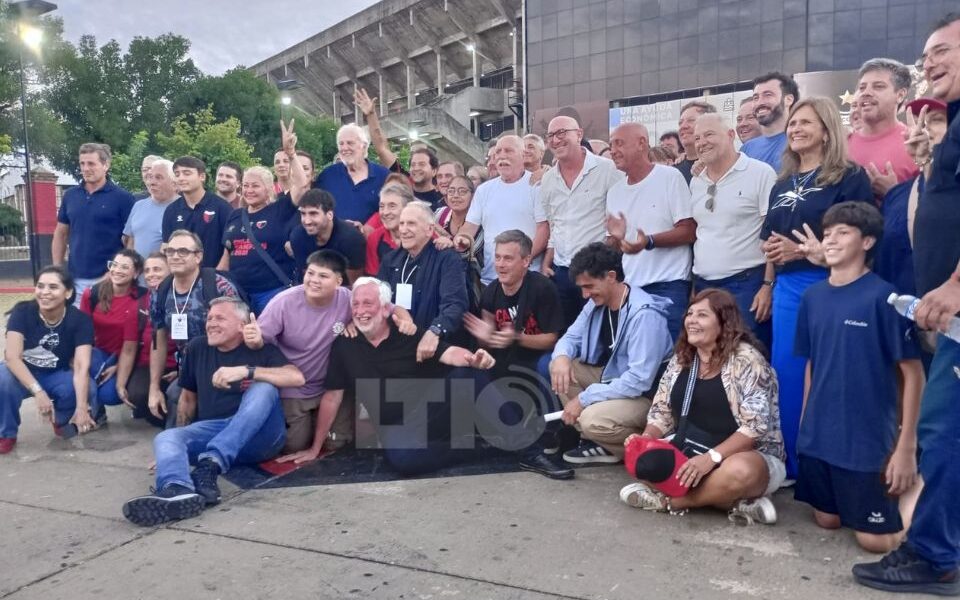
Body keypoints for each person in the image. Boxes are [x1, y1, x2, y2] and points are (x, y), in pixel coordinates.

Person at [853, 13, 960, 595]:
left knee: (943, 433)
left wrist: (956, 283)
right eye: (927, 54)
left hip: (953, 313)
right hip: (942, 320)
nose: (930, 62)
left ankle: (934, 557)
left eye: (943, 49)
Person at [281, 278, 571, 479]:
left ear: (386, 308)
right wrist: (315, 447)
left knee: (469, 374)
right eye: (355, 304)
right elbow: (333, 396)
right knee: (403, 460)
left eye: (367, 303)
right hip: (395, 426)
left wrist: (472, 357)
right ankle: (484, 446)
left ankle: (529, 450)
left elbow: (448, 352)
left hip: (431, 411)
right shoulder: (345, 344)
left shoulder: (406, 332)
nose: (359, 311)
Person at [793, 201, 923, 553]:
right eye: (827, 233)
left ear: (867, 242)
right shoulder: (812, 297)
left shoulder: (886, 298)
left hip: (866, 439)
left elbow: (913, 374)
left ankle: (918, 483)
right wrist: (805, 421)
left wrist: (906, 445)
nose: (830, 240)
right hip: (821, 434)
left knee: (875, 542)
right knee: (827, 519)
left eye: (843, 232)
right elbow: (812, 364)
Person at [759, 97, 873, 480]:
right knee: (788, 374)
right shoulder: (781, 183)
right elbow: (771, 240)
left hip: (832, 286)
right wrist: (768, 280)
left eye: (805, 122)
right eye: (792, 124)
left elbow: (859, 235)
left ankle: (830, 466)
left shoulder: (849, 177)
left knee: (831, 376)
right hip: (787, 290)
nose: (795, 129)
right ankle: (792, 465)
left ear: (826, 130)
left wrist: (808, 251)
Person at [122, 297, 305, 526]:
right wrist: (173, 453)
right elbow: (187, 399)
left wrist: (246, 371)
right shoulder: (197, 347)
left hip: (260, 437)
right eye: (209, 318)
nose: (211, 323)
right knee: (167, 438)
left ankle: (211, 462)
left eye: (220, 318)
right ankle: (177, 490)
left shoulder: (262, 350)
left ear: (242, 325)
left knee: (264, 388)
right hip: (215, 432)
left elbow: (296, 377)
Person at [619, 289, 786, 525]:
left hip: (738, 456)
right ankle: (732, 501)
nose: (692, 320)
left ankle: (676, 501)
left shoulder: (748, 360)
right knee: (641, 459)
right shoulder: (682, 358)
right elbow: (661, 413)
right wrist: (645, 440)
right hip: (690, 449)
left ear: (724, 322)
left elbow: (754, 429)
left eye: (702, 315)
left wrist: (711, 458)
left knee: (741, 471)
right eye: (690, 314)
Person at [548, 243, 673, 464]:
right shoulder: (597, 302)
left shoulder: (644, 314)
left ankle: (638, 447)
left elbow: (639, 381)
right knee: (561, 367)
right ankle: (596, 441)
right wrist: (561, 357)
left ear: (611, 277)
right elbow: (571, 338)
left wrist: (584, 399)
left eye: (589, 286)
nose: (585, 294)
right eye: (581, 288)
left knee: (591, 419)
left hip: (649, 397)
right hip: (614, 379)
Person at [242, 250, 354, 454]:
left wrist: (357, 321)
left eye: (323, 276)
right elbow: (258, 343)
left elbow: (383, 307)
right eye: (310, 273)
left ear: (338, 281)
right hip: (294, 388)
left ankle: (320, 424)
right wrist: (254, 341)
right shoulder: (283, 302)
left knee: (336, 443)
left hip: (330, 387)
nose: (314, 280)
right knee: (293, 446)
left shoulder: (348, 299)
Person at [689, 113, 777, 349]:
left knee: (748, 354)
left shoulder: (760, 173)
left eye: (709, 134)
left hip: (747, 285)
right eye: (697, 138)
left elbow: (772, 233)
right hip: (704, 286)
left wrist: (767, 285)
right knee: (710, 356)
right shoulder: (696, 180)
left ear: (730, 135)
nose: (702, 142)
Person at [605, 122, 696, 341]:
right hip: (632, 290)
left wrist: (649, 241)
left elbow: (689, 231)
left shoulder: (670, 177)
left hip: (669, 286)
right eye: (611, 145)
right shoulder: (615, 191)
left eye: (619, 143)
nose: (613, 151)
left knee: (669, 355)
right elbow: (614, 247)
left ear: (641, 143)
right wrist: (615, 239)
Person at [148, 230, 242, 428]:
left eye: (183, 251)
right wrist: (153, 387)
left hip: (223, 366)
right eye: (170, 251)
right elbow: (158, 340)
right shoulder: (161, 291)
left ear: (198, 256)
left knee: (181, 395)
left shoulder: (218, 287)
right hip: (186, 369)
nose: (175, 256)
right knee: (173, 394)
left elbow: (237, 334)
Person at [0, 266, 97, 453]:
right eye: (40, 286)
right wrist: (38, 392)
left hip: (56, 373)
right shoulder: (22, 312)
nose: (44, 292)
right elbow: (12, 357)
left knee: (88, 387)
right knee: (2, 378)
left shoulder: (80, 320)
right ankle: (6, 433)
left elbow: (81, 366)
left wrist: (82, 407)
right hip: (22, 372)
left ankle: (61, 419)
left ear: (68, 293)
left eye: (53, 287)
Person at [539, 115, 624, 327]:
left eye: (562, 133)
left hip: (598, 270)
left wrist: (603, 262)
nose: (556, 140)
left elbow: (618, 223)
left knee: (601, 332)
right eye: (550, 135)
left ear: (579, 134)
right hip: (561, 273)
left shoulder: (608, 170)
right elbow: (555, 224)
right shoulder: (548, 179)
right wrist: (547, 261)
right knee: (568, 333)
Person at [454, 135, 548, 285]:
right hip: (491, 280)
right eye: (498, 152)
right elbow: (469, 226)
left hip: (528, 278)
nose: (502, 156)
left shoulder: (537, 185)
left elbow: (543, 229)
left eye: (508, 150)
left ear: (523, 155)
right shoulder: (484, 190)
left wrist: (524, 260)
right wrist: (462, 238)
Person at [378, 202, 469, 357]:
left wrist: (435, 331)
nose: (403, 230)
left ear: (429, 229)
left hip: (435, 347)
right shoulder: (390, 260)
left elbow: (455, 304)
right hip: (397, 346)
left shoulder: (447, 259)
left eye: (411, 223)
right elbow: (379, 301)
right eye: (402, 223)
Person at [52, 143, 136, 304]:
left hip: (109, 280)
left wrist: (116, 273)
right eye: (82, 163)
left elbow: (131, 240)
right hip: (75, 280)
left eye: (91, 163)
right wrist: (57, 269)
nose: (85, 168)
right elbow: (60, 234)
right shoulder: (70, 196)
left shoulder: (123, 198)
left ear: (106, 165)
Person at [218, 166, 298, 315]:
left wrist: (292, 156)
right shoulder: (235, 215)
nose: (249, 190)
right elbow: (227, 254)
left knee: (269, 330)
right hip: (238, 293)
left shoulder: (280, 209)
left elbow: (301, 186)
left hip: (271, 291)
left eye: (255, 186)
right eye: (246, 185)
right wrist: (217, 282)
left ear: (268, 188)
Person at [79, 249, 148, 411]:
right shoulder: (92, 294)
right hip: (99, 354)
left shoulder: (143, 298)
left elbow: (136, 346)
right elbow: (82, 335)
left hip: (131, 355)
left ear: (136, 273)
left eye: (124, 267)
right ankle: (92, 408)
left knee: (109, 395)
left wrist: (119, 367)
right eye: (114, 265)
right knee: (84, 366)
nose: (117, 270)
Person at [116, 252, 176, 425]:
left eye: (157, 269)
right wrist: (120, 384)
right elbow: (129, 348)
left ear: (171, 270)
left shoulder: (184, 298)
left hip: (178, 364)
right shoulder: (139, 305)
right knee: (137, 394)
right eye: (147, 270)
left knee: (176, 394)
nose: (151, 274)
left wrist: (182, 371)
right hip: (148, 364)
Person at [847, 58, 918, 197]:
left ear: (900, 95)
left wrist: (893, 192)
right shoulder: (841, 143)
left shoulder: (916, 145)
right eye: (862, 88)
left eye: (878, 86)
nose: (866, 92)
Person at [161, 156, 233, 269]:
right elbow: (166, 246)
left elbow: (229, 247)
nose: (181, 178)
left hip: (213, 274)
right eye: (177, 174)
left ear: (202, 176)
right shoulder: (171, 210)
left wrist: (217, 275)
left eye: (187, 173)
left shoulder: (222, 207)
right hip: (181, 275)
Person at [313, 122, 390, 224]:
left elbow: (393, 212)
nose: (344, 148)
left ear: (364, 146)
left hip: (371, 234)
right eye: (341, 144)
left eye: (350, 143)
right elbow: (313, 208)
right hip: (335, 234)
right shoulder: (327, 176)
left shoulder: (384, 176)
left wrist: (369, 228)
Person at [287, 189, 365, 285]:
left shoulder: (350, 239)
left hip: (343, 289)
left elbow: (355, 285)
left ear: (330, 215)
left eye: (313, 214)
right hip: (313, 288)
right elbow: (307, 278)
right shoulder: (298, 236)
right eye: (303, 214)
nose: (307, 221)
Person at [742, 72, 800, 173]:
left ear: (788, 100)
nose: (760, 102)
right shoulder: (747, 149)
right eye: (756, 98)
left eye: (768, 95)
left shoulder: (799, 142)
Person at [125, 159, 178, 261]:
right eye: (150, 177)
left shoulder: (183, 209)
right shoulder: (138, 206)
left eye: (158, 177)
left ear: (174, 183)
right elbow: (130, 242)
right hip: (138, 270)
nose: (152, 182)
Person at [365, 183, 412, 276]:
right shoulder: (375, 238)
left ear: (407, 208)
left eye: (392, 206)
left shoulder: (424, 234)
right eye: (382, 206)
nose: (385, 212)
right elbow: (373, 279)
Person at [675, 102, 717, 183]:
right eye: (680, 123)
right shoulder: (673, 172)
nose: (683, 126)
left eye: (691, 120)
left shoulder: (725, 167)